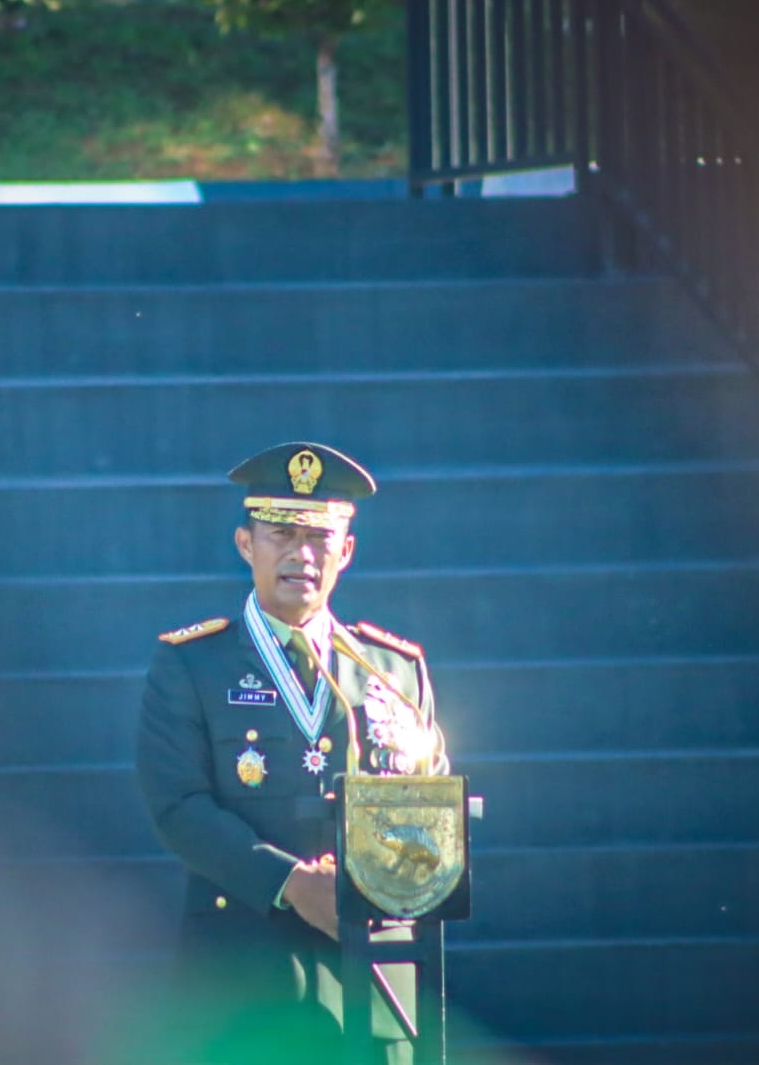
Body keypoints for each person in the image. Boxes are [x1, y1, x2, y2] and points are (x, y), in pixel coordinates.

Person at [135, 441, 449, 1065]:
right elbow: (178, 807)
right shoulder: (192, 665)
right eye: (280, 534)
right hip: (243, 982)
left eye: (319, 538)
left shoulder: (392, 671)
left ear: (346, 552)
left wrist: (370, 882)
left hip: (375, 981)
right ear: (245, 544)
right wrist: (291, 884)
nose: (301, 554)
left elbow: (433, 814)